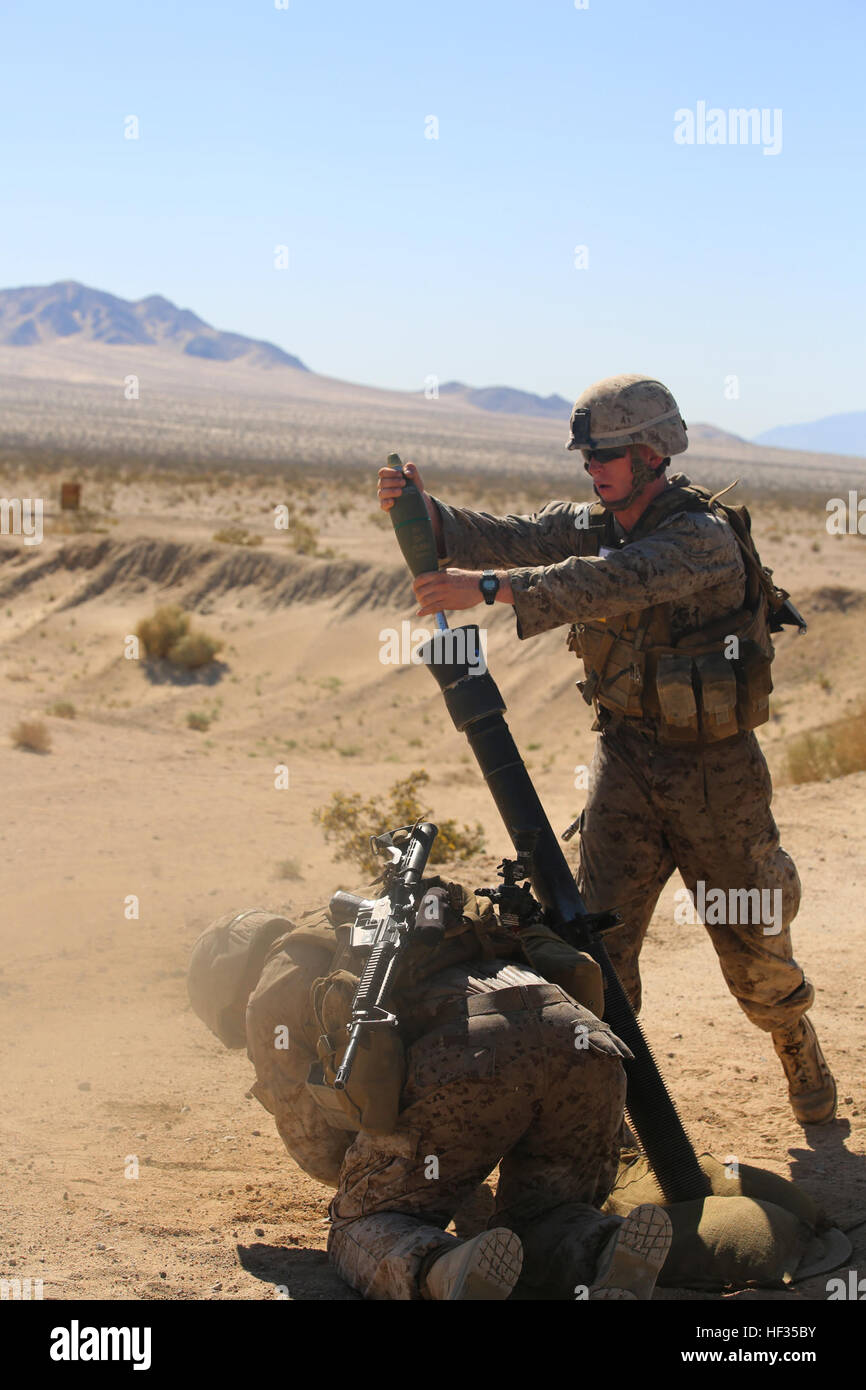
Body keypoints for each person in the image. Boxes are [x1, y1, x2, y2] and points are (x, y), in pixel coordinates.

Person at [376, 373, 836, 1126]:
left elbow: (606, 584)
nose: (595, 470)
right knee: (595, 953)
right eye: (588, 457)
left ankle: (794, 1040)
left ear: (653, 453)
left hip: (716, 776)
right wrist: (429, 515)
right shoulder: (599, 522)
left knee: (756, 958)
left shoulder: (700, 538)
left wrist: (485, 589)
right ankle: (608, 1118)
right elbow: (520, 534)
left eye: (609, 455)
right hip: (626, 764)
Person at [187, 882, 674, 1300]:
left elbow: (320, 1151)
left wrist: (399, 1179)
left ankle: (444, 1270)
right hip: (585, 1040)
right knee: (544, 1215)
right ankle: (605, 1249)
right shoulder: (379, 915)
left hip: (474, 1051)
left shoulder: (276, 984)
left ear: (227, 989)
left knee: (362, 1222)